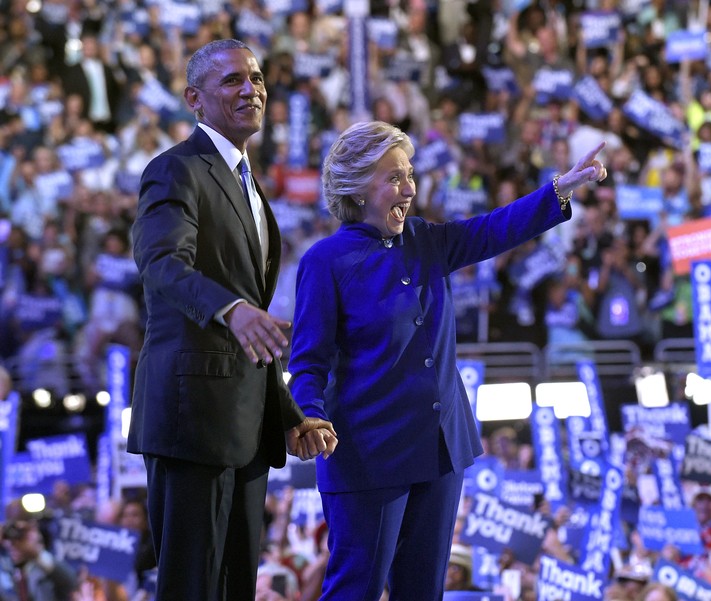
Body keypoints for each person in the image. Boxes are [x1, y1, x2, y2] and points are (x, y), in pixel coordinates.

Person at [288, 119, 607, 600]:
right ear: (356, 188)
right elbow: (308, 360)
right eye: (393, 177)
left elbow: (492, 231)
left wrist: (559, 189)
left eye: (410, 174)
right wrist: (309, 415)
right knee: (357, 590)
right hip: (366, 456)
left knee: (423, 591)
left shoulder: (425, 240)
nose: (409, 188)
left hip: (440, 451)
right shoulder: (324, 261)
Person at [127, 39, 338, 601]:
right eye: (232, 81)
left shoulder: (250, 185)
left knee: (237, 587)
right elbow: (162, 263)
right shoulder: (175, 171)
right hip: (190, 419)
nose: (251, 89)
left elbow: (255, 334)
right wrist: (230, 307)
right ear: (195, 99)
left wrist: (288, 413)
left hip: (246, 427)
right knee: (192, 587)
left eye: (257, 78)